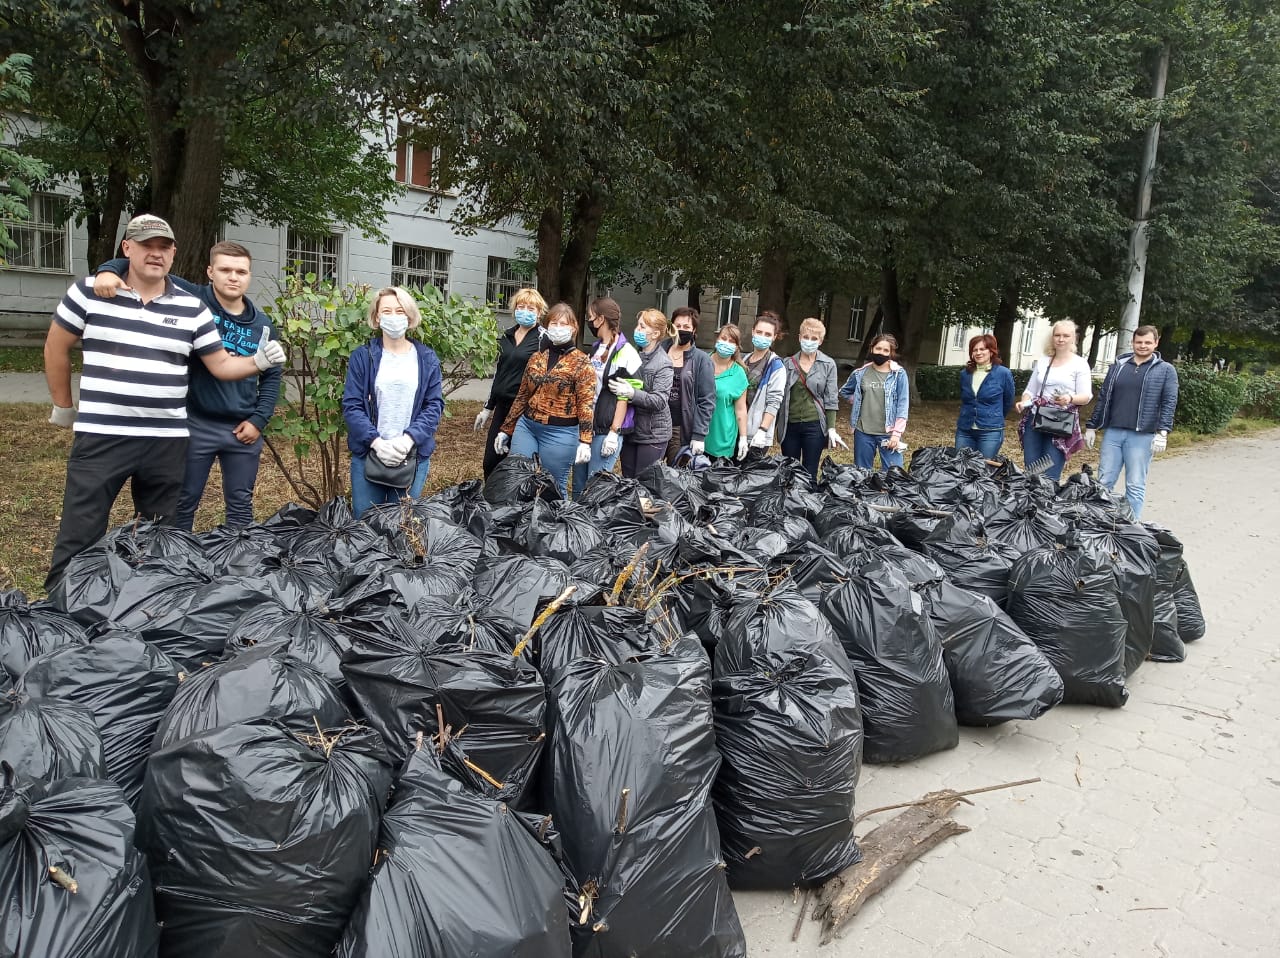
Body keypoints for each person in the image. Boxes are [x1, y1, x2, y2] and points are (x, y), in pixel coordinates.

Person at [42, 214, 286, 591]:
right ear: (127, 249)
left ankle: (149, 599)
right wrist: (64, 407)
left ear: (173, 253)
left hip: (167, 439)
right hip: (103, 435)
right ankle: (63, 608)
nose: (155, 254)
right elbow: (56, 347)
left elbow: (220, 364)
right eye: (145, 245)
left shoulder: (191, 307)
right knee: (81, 528)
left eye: (163, 247)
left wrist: (258, 362)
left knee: (160, 534)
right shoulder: (90, 291)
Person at [93, 241, 281, 531]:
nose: (233, 277)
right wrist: (107, 270)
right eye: (225, 270)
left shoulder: (263, 325)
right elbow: (150, 269)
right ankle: (178, 561)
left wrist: (258, 419)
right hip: (195, 424)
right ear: (210, 272)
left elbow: (272, 376)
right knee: (183, 500)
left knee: (241, 505)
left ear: (249, 276)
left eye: (241, 271)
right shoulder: (194, 298)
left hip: (243, 429)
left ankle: (240, 566)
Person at [341, 287, 444, 517]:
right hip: (369, 455)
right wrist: (376, 442)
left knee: (403, 527)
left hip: (411, 456)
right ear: (377, 317)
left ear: (409, 316)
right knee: (366, 525)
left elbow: (434, 405)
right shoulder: (363, 356)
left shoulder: (426, 358)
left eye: (400, 311)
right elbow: (352, 405)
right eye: (386, 311)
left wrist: (409, 440)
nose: (394, 316)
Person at [494, 303, 596, 497]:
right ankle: (520, 523)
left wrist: (585, 440)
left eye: (563, 324)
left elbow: (586, 403)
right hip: (528, 426)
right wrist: (506, 429)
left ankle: (554, 526)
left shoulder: (582, 362)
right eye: (554, 323)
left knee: (553, 488)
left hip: (560, 432)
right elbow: (523, 395)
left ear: (573, 328)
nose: (558, 328)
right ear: (547, 327)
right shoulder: (537, 357)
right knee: (517, 478)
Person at [1085, 325, 1179, 519]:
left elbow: (1169, 401)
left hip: (1142, 435)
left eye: (1147, 342)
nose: (1142, 346)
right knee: (1104, 481)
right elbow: (1104, 397)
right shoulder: (1118, 366)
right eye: (1139, 342)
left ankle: (1131, 527)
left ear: (1156, 343)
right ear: (1133, 342)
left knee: (1135, 484)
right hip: (1113, 432)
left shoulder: (1165, 370)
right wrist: (1092, 426)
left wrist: (1163, 432)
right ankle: (1100, 523)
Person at [572, 297, 642, 493]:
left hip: (606, 430)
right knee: (578, 486)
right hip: (587, 427)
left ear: (601, 319)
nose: (589, 321)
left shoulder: (627, 353)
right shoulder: (595, 348)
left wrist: (613, 432)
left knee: (595, 489)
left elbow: (624, 397)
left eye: (591, 317)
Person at [475, 287, 547, 477]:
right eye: (521, 306)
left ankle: (514, 505)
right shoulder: (507, 336)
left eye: (531, 308)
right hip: (502, 406)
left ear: (539, 313)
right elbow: (500, 372)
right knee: (490, 462)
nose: (525, 311)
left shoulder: (543, 339)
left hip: (525, 410)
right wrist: (487, 408)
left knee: (517, 464)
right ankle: (492, 502)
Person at [1014, 319, 1092, 481]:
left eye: (1065, 336)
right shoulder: (1043, 361)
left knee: (1049, 474)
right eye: (1057, 335)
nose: (1061, 339)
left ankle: (1046, 503)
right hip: (1036, 420)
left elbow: (1086, 396)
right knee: (1032, 472)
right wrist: (1024, 402)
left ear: (1073, 339)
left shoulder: (1080, 364)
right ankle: (1032, 505)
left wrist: (1069, 398)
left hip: (1060, 424)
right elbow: (1030, 390)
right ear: (1052, 338)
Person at [777, 317, 847, 478]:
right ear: (799, 337)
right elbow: (779, 396)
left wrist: (831, 428)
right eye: (806, 337)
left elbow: (831, 398)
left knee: (810, 470)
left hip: (814, 425)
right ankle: (790, 501)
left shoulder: (828, 364)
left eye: (814, 338)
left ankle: (808, 502)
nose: (809, 341)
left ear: (820, 341)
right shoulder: (787, 363)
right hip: (790, 425)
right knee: (789, 470)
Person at [613, 309, 674, 479]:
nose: (637, 330)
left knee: (644, 485)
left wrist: (632, 393)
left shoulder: (663, 363)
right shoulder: (635, 355)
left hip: (653, 434)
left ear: (655, 334)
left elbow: (659, 401)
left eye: (642, 326)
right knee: (628, 481)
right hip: (632, 430)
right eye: (638, 325)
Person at [839, 333, 910, 471]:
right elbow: (844, 391)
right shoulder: (861, 373)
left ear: (891, 353)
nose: (881, 353)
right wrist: (858, 401)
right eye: (878, 349)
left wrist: (896, 433)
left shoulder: (898, 374)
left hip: (888, 433)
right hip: (863, 432)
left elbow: (903, 404)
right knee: (862, 474)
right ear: (872, 349)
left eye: (885, 350)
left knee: (894, 474)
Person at [663, 306, 716, 464]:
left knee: (674, 475)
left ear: (694, 331)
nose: (681, 330)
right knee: (648, 474)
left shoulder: (701, 360)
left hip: (680, 427)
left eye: (686, 327)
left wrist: (699, 435)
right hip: (655, 425)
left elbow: (707, 400)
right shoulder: (659, 351)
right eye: (677, 326)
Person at [955, 333, 1016, 459]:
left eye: (982, 349)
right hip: (965, 429)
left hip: (990, 431)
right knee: (961, 468)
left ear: (991, 351)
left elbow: (1008, 401)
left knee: (983, 470)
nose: (978, 353)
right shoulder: (965, 374)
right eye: (975, 350)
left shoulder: (1003, 373)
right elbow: (966, 399)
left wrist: (994, 415)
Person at [741, 311, 787, 458]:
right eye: (759, 332)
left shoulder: (775, 365)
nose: (762, 336)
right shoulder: (744, 360)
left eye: (767, 334)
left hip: (756, 434)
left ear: (774, 337)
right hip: (737, 430)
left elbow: (774, 401)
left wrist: (762, 430)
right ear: (753, 332)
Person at [705, 324, 750, 461]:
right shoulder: (702, 362)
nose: (726, 343)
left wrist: (743, 438)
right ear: (717, 339)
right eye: (723, 338)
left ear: (737, 347)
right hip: (698, 432)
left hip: (722, 436)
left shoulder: (738, 373)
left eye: (732, 341)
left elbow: (741, 410)